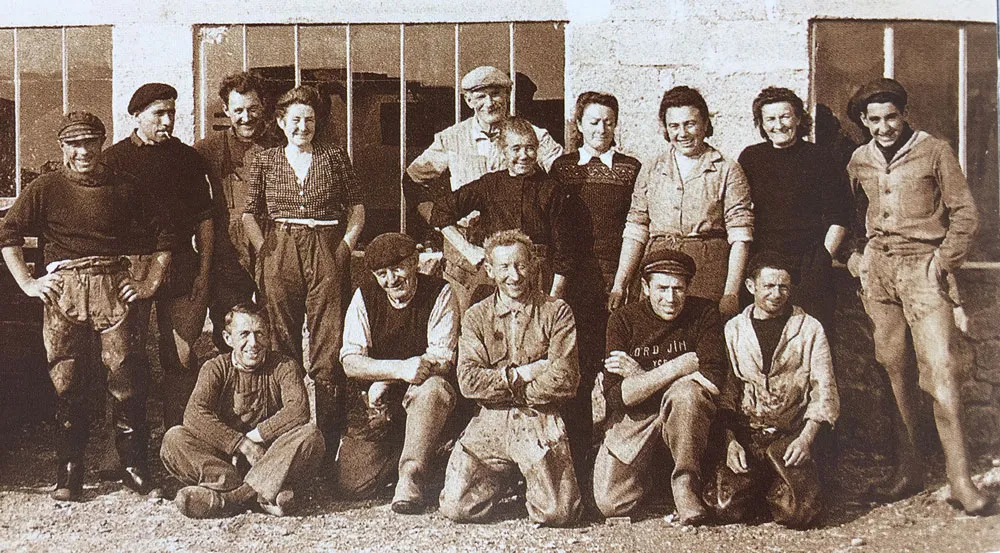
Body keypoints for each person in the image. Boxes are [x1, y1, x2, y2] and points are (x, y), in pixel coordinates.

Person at [0, 112, 173, 500]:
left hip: (113, 286)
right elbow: (8, 232)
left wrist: (148, 282)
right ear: (63, 148)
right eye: (74, 144)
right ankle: (70, 472)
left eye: (90, 143)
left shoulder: (126, 187)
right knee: (67, 380)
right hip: (65, 290)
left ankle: (133, 467)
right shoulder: (45, 188)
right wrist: (28, 283)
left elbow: (165, 234)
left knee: (125, 378)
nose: (83, 152)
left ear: (101, 143)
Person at [845, 78, 991, 515]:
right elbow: (854, 215)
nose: (884, 127)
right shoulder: (858, 160)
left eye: (891, 117)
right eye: (874, 120)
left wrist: (943, 261)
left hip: (924, 268)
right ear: (865, 122)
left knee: (940, 372)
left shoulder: (935, 150)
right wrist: (858, 258)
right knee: (893, 370)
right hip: (880, 272)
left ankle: (960, 482)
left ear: (904, 114)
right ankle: (906, 472)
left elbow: (965, 212)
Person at [243, 85, 366, 452]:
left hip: (326, 245)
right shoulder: (265, 160)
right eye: (295, 120)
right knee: (281, 339)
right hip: (280, 248)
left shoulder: (333, 157)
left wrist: (345, 245)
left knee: (328, 342)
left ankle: (328, 443)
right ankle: (288, 437)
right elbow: (250, 213)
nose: (302, 127)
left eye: (309, 120)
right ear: (281, 122)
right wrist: (265, 249)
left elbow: (357, 206)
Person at [439, 229, 582, 526]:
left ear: (532, 265)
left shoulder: (557, 312)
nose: (514, 276)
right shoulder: (476, 316)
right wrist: (522, 374)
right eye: (504, 267)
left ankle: (530, 477)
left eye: (520, 265)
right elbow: (468, 381)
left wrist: (509, 389)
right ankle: (504, 479)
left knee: (557, 513)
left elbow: (565, 377)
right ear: (490, 270)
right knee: (457, 508)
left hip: (538, 417)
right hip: (490, 420)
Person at [103, 82, 214, 432]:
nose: (168, 121)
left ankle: (178, 441)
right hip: (131, 267)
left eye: (172, 113)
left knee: (180, 357)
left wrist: (204, 271)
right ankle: (119, 450)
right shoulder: (113, 160)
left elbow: (205, 219)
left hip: (181, 264)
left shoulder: (187, 158)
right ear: (136, 115)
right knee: (122, 358)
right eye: (158, 113)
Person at [593, 248, 725, 525]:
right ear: (645, 287)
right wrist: (679, 366)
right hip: (637, 417)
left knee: (688, 395)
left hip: (684, 415)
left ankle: (684, 485)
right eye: (662, 288)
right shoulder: (623, 320)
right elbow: (619, 396)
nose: (670, 298)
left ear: (688, 287)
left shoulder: (704, 313)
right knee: (611, 503)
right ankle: (653, 482)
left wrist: (640, 376)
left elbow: (712, 381)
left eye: (678, 289)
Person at [550, 91, 642, 487]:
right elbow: (553, 226)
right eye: (593, 121)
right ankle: (577, 456)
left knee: (616, 363)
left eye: (608, 121)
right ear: (578, 125)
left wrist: (622, 280)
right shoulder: (563, 168)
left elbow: (638, 225)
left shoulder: (631, 169)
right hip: (573, 278)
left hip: (617, 277)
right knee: (577, 366)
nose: (601, 128)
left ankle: (619, 460)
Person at [707, 252, 839, 528]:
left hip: (791, 435)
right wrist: (730, 442)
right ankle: (759, 484)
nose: (776, 294)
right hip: (749, 435)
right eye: (768, 286)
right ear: (751, 286)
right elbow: (728, 390)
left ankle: (784, 481)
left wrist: (806, 439)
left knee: (798, 514)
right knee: (724, 507)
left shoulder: (809, 329)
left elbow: (824, 389)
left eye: (783, 287)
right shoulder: (734, 329)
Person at [160, 303, 325, 518]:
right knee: (174, 439)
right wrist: (240, 445)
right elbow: (195, 414)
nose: (253, 343)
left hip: (271, 457)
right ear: (228, 339)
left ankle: (230, 499)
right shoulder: (215, 367)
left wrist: (255, 439)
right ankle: (264, 492)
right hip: (225, 463)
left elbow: (298, 410)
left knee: (311, 436)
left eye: (260, 334)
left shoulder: (284, 366)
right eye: (244, 334)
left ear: (269, 336)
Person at [337, 232, 458, 514]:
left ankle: (410, 478)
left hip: (423, 399)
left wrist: (391, 378)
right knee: (353, 484)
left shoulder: (439, 292)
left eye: (397, 269)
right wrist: (394, 373)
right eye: (382, 274)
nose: (391, 280)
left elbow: (442, 359)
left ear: (415, 262)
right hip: (381, 407)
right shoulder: (365, 296)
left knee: (434, 388)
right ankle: (424, 454)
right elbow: (351, 360)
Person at [610, 86, 753, 318]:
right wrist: (620, 282)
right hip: (659, 270)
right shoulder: (652, 168)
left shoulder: (727, 169)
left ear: (705, 124)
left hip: (707, 271)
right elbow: (637, 228)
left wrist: (731, 293)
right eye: (674, 126)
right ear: (666, 129)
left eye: (690, 124)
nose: (682, 133)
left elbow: (740, 235)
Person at [737, 87, 852, 329]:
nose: (778, 125)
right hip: (763, 260)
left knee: (810, 333)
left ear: (798, 119)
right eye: (770, 119)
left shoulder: (820, 158)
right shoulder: (751, 158)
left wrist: (821, 260)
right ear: (761, 124)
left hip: (808, 263)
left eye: (785, 116)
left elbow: (839, 216)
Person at [429, 117, 572, 310]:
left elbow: (564, 248)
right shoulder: (489, 185)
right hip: (495, 277)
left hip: (537, 276)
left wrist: (554, 297)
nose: (524, 155)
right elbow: (442, 211)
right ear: (503, 150)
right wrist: (467, 249)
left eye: (530, 148)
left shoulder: (551, 189)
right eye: (516, 148)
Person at [194, 71, 273, 352]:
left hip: (272, 247)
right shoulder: (208, 149)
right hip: (228, 254)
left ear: (263, 105)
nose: (246, 117)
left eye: (253, 109)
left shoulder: (282, 145)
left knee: (273, 326)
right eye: (238, 110)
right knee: (229, 327)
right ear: (226, 110)